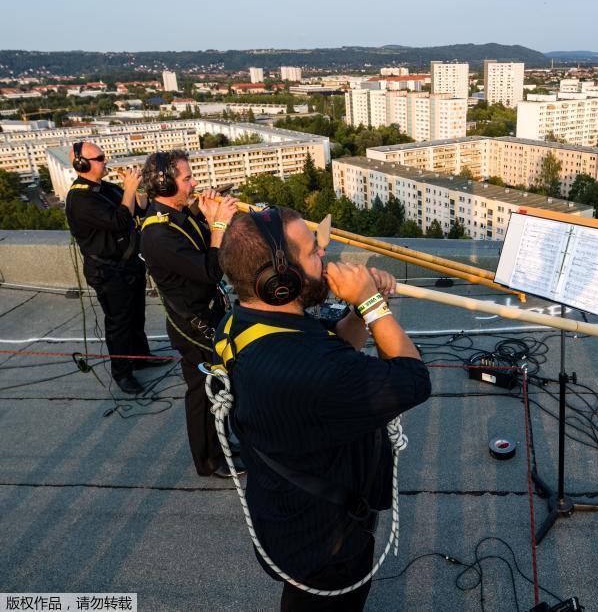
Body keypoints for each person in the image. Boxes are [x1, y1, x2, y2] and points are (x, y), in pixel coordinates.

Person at [214, 206, 431, 611]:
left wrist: (364, 309)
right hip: (327, 539)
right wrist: (373, 304)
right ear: (280, 279)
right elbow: (414, 380)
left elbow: (337, 347)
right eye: (314, 252)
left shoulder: (244, 322)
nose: (326, 257)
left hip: (285, 513)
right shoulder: (314, 371)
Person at [138, 150, 243, 478]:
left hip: (208, 314)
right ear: (165, 183)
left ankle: (221, 442)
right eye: (187, 178)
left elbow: (202, 239)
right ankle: (209, 460)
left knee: (219, 388)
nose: (194, 182)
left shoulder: (179, 214)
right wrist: (220, 224)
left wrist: (208, 211)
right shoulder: (157, 234)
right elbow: (210, 270)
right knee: (204, 392)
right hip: (193, 325)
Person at [65, 141, 168, 394]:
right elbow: (120, 221)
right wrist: (130, 190)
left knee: (135, 316)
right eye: (100, 158)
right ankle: (122, 373)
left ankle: (141, 358)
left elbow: (138, 209)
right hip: (107, 271)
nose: (105, 160)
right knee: (119, 323)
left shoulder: (105, 188)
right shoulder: (80, 199)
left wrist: (140, 188)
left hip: (128, 264)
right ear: (82, 164)